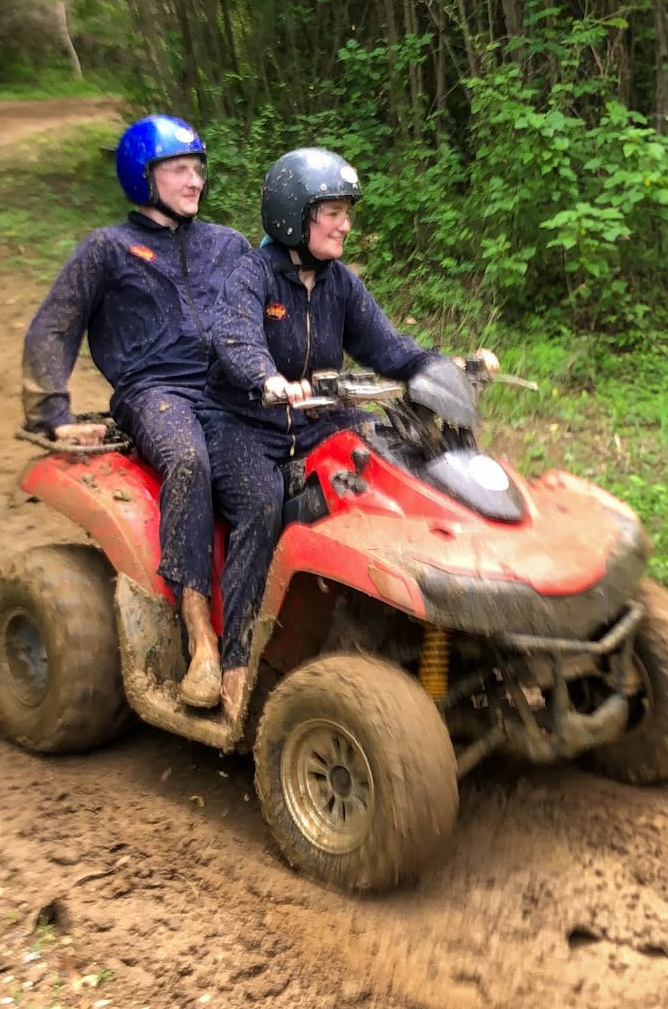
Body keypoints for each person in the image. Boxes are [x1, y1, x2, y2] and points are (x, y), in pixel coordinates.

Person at [202, 147, 498, 721]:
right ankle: (236, 659)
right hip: (244, 422)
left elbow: (389, 350)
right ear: (294, 215)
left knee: (394, 467)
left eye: (346, 213)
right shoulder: (251, 274)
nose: (345, 225)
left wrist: (448, 368)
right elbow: (235, 338)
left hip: (317, 420)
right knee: (260, 506)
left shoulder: (338, 283)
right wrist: (267, 378)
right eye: (332, 212)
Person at [21, 114, 249, 710]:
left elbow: (274, 309)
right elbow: (52, 328)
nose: (195, 181)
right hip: (155, 392)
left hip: (232, 389)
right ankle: (201, 640)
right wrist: (52, 412)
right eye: (179, 170)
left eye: (199, 169)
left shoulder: (228, 245)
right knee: (188, 460)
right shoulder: (108, 250)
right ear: (144, 178)